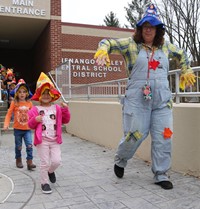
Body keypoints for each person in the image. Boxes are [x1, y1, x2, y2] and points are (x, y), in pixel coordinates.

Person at [94, 3, 196, 190]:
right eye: (145, 26)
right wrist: (102, 50)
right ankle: (121, 159)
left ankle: (161, 173)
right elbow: (107, 42)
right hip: (137, 100)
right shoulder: (131, 45)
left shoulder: (165, 48)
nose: (149, 29)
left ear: (158, 30)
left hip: (162, 101)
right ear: (140, 29)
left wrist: (186, 69)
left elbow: (182, 54)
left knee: (164, 136)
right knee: (135, 135)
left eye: (153, 26)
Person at [28, 72, 71, 194]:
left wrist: (65, 109)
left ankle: (51, 171)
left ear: (52, 95)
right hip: (42, 141)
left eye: (48, 93)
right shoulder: (35, 109)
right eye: (44, 93)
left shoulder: (56, 108)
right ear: (39, 96)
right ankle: (44, 183)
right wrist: (35, 120)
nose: (46, 96)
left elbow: (66, 120)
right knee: (44, 162)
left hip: (55, 140)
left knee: (57, 161)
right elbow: (30, 125)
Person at [3, 79, 36, 170]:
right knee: (18, 146)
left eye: (24, 92)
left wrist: (37, 123)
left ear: (27, 93)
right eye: (20, 92)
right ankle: (18, 160)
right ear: (17, 93)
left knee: (29, 145)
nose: (22, 94)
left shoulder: (29, 103)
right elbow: (9, 113)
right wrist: (6, 124)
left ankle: (29, 162)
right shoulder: (14, 103)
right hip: (17, 129)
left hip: (27, 129)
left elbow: (34, 115)